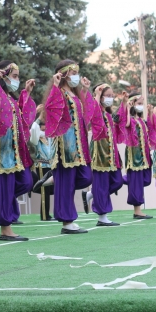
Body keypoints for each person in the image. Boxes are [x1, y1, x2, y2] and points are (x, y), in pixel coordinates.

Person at [0, 60, 36, 242]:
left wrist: (26, 93)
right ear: (4, 76)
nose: (17, 80)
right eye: (14, 76)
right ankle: (6, 230)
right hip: (0, 153)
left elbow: (24, 118)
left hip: (14, 153)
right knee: (4, 188)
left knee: (27, 182)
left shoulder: (11, 98)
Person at [43, 60, 96, 234]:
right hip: (64, 148)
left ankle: (54, 179)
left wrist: (85, 91)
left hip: (78, 148)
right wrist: (56, 86)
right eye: (72, 72)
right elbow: (50, 109)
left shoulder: (74, 94)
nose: (76, 76)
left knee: (85, 177)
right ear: (63, 74)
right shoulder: (59, 93)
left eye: (76, 72)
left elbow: (86, 117)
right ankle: (67, 222)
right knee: (67, 184)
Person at [82, 84, 127, 226]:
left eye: (112, 96)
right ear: (100, 97)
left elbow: (120, 119)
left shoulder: (108, 115)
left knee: (117, 181)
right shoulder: (97, 111)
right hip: (99, 152)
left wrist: (124, 103)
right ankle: (102, 217)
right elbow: (90, 113)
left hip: (111, 154)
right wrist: (95, 94)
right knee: (101, 184)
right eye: (107, 95)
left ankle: (92, 194)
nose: (111, 98)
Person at [123, 94, 156, 219]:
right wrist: (127, 109)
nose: (141, 106)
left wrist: (150, 113)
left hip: (144, 156)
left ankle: (119, 179)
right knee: (137, 182)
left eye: (141, 104)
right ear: (132, 103)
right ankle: (137, 210)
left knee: (145, 180)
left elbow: (151, 129)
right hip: (134, 157)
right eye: (139, 103)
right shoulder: (131, 119)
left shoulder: (140, 120)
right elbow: (126, 124)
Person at [29, 105, 55, 221]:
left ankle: (33, 187)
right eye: (42, 124)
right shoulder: (36, 136)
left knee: (51, 190)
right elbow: (33, 131)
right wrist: (39, 116)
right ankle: (45, 216)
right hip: (42, 165)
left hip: (52, 165)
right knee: (45, 191)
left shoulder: (50, 136)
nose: (45, 126)